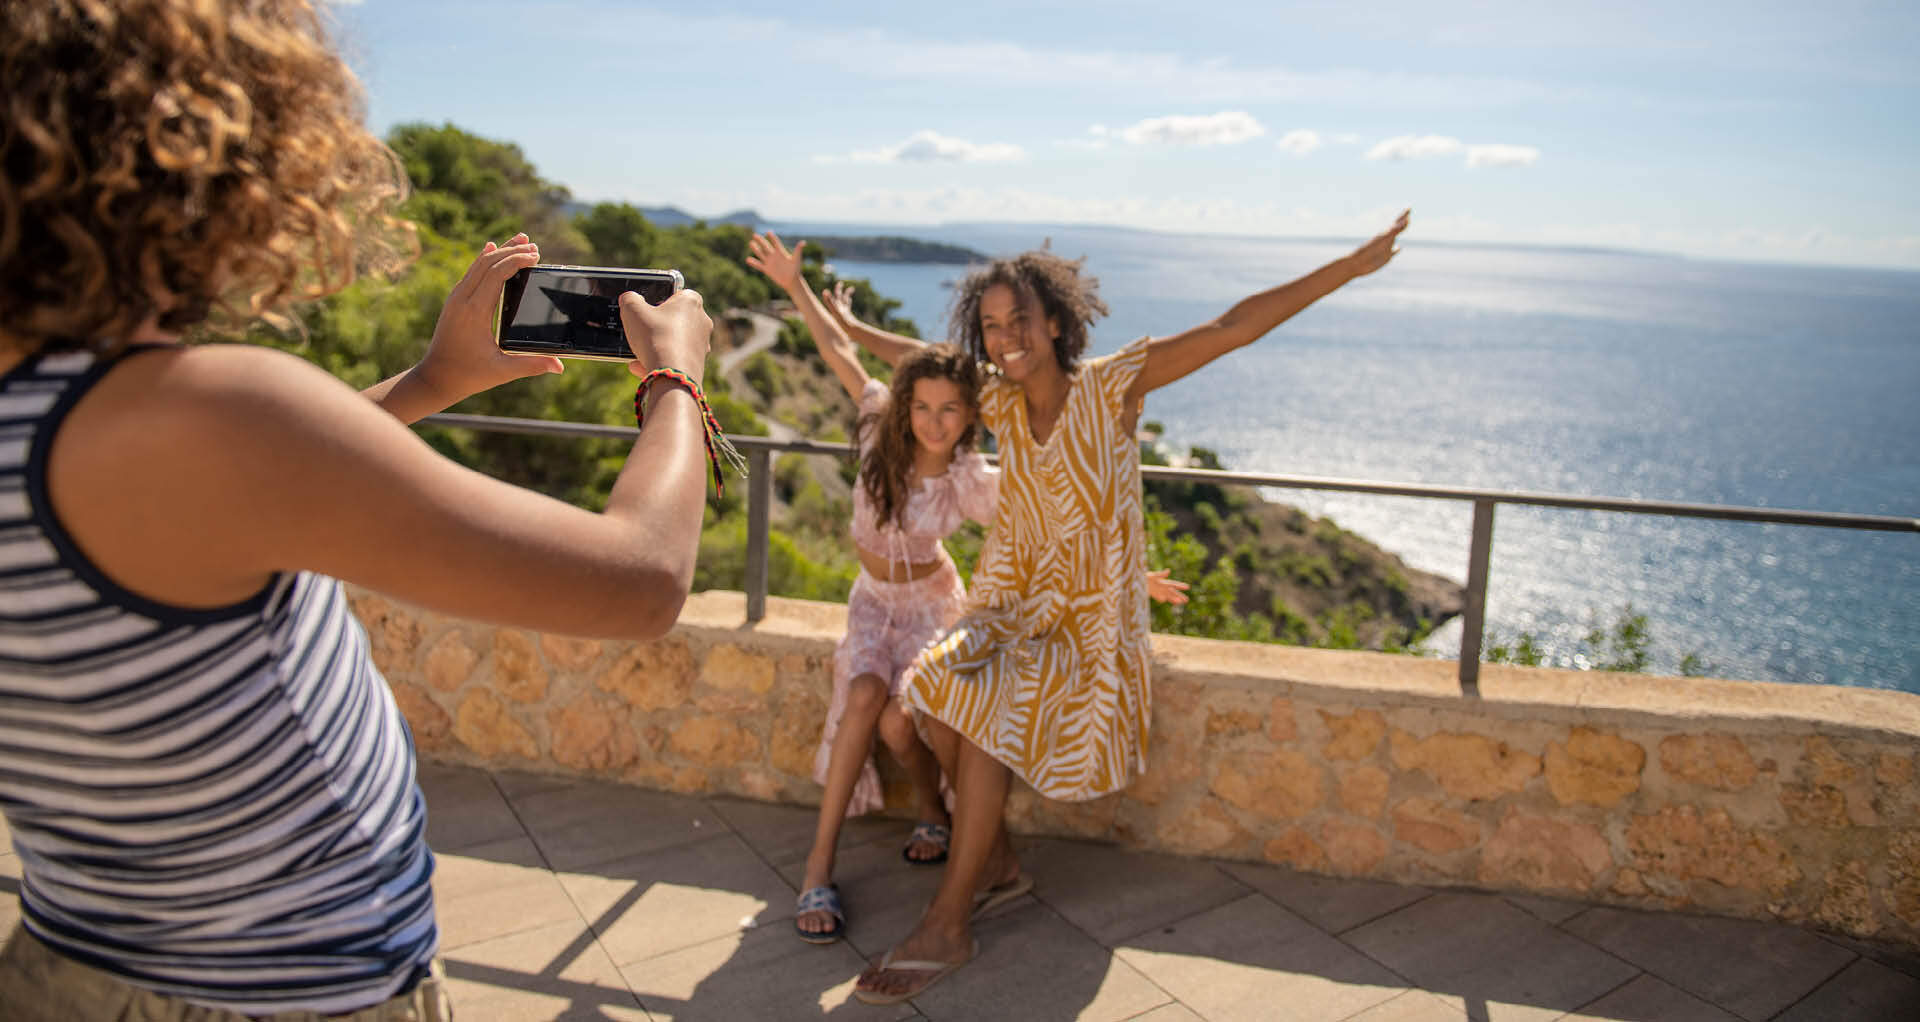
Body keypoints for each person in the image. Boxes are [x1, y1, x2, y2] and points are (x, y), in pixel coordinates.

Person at [0, 1, 722, 1018]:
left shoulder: (62, 419)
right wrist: (676, 381)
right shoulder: (213, 412)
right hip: (288, 990)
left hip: (71, 964)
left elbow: (238, 495)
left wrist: (431, 380)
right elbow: (641, 577)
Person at [818, 214, 1411, 1004]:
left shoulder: (1110, 387)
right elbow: (916, 366)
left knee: (987, 715)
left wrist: (1347, 266)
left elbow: (1232, 326)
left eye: (1018, 321)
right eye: (991, 327)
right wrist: (851, 325)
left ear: (1055, 322)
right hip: (1011, 605)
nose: (1004, 339)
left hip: (1084, 624)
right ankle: (993, 859)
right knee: (931, 695)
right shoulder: (992, 399)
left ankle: (950, 919)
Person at [745, 234, 1188, 946]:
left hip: (929, 604)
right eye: (924, 407)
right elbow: (846, 355)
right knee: (866, 698)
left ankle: (941, 821)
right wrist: (799, 291)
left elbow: (1064, 509)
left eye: (953, 411)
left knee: (902, 718)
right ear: (906, 406)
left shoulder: (965, 480)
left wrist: (1130, 572)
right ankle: (822, 865)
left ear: (970, 419)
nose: (936, 420)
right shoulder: (873, 429)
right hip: (871, 604)